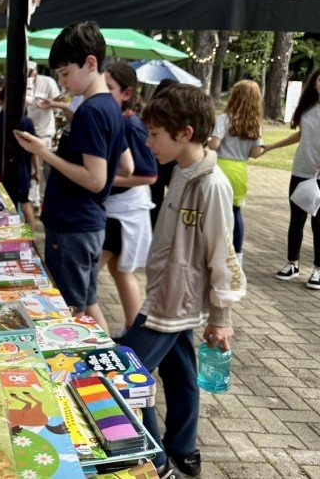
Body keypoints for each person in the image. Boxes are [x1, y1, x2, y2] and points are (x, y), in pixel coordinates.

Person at [121, 84, 246, 479]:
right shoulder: (179, 171)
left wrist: (222, 315)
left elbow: (222, 251)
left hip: (173, 301)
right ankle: (182, 448)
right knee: (179, 372)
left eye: (155, 134)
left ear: (185, 133)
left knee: (127, 374)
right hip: (167, 293)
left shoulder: (212, 184)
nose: (148, 141)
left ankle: (154, 460)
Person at [14, 20, 134, 335]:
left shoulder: (93, 112)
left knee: (69, 312)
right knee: (85, 302)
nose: (63, 81)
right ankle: (111, 362)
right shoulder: (106, 106)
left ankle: (93, 371)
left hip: (73, 226)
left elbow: (95, 179)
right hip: (86, 224)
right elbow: (126, 167)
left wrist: (44, 152)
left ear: (90, 63)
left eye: (66, 73)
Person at [100, 62, 158, 336]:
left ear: (126, 93)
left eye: (107, 88)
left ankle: (127, 333)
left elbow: (149, 175)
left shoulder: (132, 125)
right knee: (119, 271)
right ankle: (133, 330)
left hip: (121, 214)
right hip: (116, 210)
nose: (101, 92)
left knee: (86, 278)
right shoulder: (119, 120)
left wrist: (103, 179)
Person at [261, 68, 320, 289]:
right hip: (300, 171)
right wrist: (271, 146)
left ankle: (318, 269)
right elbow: (301, 134)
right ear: (315, 84)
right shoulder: (307, 109)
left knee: (319, 223)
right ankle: (292, 264)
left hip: (319, 177)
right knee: (296, 220)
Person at [207, 80, 265, 266]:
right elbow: (255, 153)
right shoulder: (256, 124)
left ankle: (213, 252)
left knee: (216, 212)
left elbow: (214, 144)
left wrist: (207, 139)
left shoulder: (224, 119)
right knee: (236, 212)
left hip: (221, 168)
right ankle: (237, 256)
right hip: (240, 171)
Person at [0, 89, 37, 225]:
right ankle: (31, 243)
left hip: (2, 171)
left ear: (2, 102)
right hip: (23, 172)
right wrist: (36, 171)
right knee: (26, 205)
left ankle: (15, 239)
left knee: (8, 207)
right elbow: (34, 150)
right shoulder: (27, 122)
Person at [26, 60, 62, 213]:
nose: (29, 76)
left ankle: (38, 201)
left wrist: (50, 104)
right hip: (29, 131)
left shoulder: (48, 82)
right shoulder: (24, 83)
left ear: (35, 71)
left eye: (30, 72)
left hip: (44, 133)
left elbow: (61, 100)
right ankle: (34, 200)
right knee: (32, 168)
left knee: (39, 168)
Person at [149, 78, 179, 227]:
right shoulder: (175, 114)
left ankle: (155, 226)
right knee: (172, 194)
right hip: (168, 160)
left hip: (154, 159)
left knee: (156, 196)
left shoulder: (151, 111)